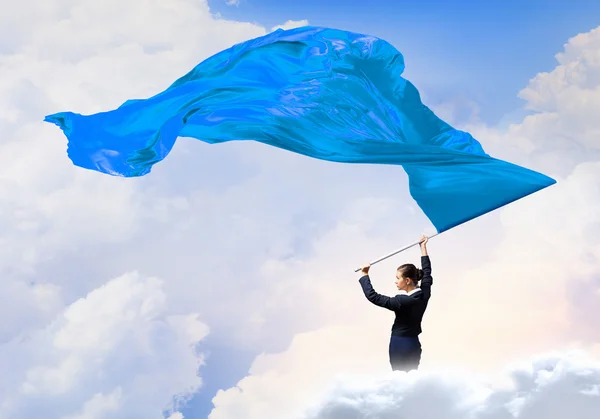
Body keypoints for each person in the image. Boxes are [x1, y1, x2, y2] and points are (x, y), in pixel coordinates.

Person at [358, 235, 432, 372]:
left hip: (400, 344)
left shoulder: (401, 301)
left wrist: (364, 274)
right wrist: (423, 248)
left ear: (408, 280)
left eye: (398, 278)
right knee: (412, 377)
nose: (396, 281)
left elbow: (373, 296)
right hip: (414, 343)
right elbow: (427, 273)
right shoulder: (424, 294)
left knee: (399, 378)